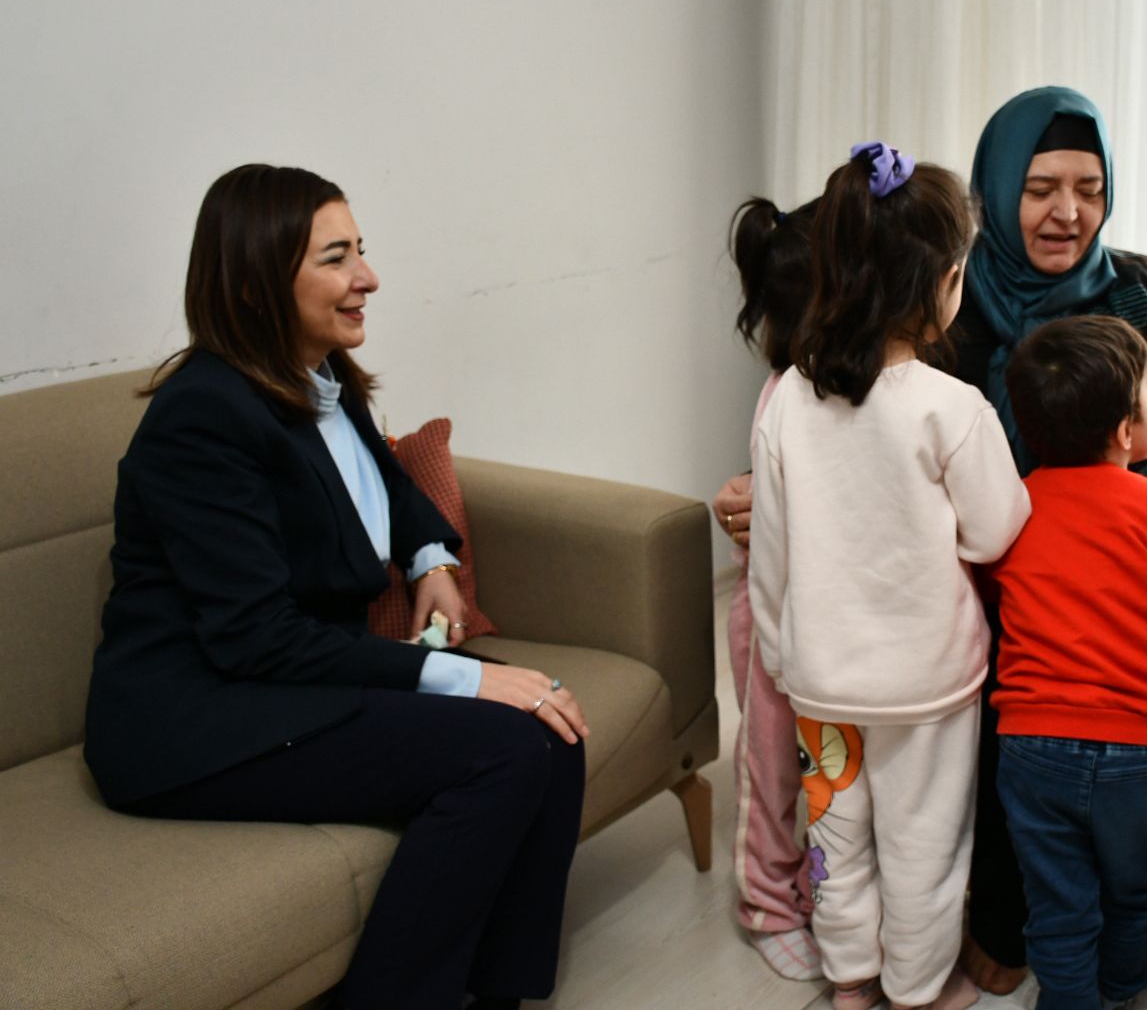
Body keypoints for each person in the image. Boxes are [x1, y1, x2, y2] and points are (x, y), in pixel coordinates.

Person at [83, 164, 590, 1010]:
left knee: (553, 725)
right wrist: (463, 678)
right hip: (199, 721)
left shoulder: (320, 375)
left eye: (361, 250)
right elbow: (254, 637)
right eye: (337, 258)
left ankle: (496, 994)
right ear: (256, 284)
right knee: (503, 747)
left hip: (288, 682)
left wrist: (431, 561)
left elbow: (387, 485)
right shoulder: (201, 418)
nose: (369, 277)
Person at [951, 85, 1147, 1010]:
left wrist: (1127, 513)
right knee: (993, 634)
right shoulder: (949, 304)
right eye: (1041, 189)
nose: (1069, 212)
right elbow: (891, 434)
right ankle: (1010, 907)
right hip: (1004, 545)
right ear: (996, 190)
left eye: (1089, 189)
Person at [748, 142, 1031, 1010]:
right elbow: (996, 531)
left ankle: (850, 979)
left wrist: (783, 655)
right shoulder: (953, 408)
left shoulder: (788, 403)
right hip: (926, 686)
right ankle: (916, 988)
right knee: (924, 847)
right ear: (944, 284)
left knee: (835, 840)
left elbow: (771, 554)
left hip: (822, 681)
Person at [988, 315, 1147, 1010]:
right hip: (1139, 753)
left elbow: (995, 604)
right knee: (1134, 890)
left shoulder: (1013, 506)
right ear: (1126, 430)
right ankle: (1121, 990)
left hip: (1030, 745)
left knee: (1056, 898)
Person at [714, 194, 824, 980]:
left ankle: (810, 888)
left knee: (821, 773)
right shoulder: (788, 393)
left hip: (824, 616)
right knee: (770, 769)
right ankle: (766, 903)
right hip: (775, 617)